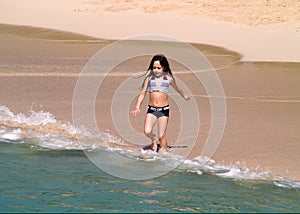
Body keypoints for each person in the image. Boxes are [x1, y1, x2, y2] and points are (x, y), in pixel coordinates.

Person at [130, 54, 190, 152]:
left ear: (164, 67)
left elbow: (178, 88)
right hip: (152, 110)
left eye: (159, 68)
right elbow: (142, 94)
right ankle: (153, 139)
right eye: (154, 68)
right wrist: (137, 107)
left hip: (164, 110)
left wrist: (184, 96)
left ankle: (164, 155)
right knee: (147, 131)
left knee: (162, 136)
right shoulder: (149, 79)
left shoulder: (168, 79)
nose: (156, 70)